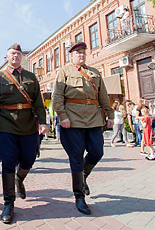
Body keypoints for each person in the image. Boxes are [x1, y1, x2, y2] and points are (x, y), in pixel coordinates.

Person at [0, 42, 48, 224]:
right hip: (6, 125)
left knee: (29, 159)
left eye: (18, 54)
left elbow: (38, 101)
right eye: (12, 53)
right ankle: (8, 203)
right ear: (7, 57)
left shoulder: (31, 77)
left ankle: (19, 179)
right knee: (8, 162)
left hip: (28, 125)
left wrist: (43, 122)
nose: (15, 56)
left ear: (21, 57)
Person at [52, 39, 113, 216]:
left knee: (97, 152)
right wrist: (62, 117)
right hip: (72, 120)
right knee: (76, 157)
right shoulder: (64, 71)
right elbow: (57, 98)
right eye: (78, 53)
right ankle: (79, 195)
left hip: (93, 119)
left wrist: (110, 115)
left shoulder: (94, 72)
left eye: (83, 52)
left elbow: (103, 96)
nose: (81, 55)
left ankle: (83, 176)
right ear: (71, 55)